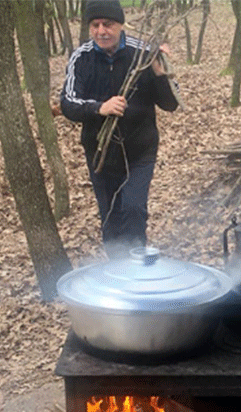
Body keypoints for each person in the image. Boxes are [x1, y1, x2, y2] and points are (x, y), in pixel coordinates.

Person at [60, 0, 179, 259]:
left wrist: (160, 74)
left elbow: (170, 104)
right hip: (100, 152)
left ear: (121, 25)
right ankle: (117, 270)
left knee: (134, 208)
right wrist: (99, 107)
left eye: (108, 24)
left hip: (140, 150)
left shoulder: (144, 53)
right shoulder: (81, 57)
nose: (101, 31)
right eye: (95, 25)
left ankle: (137, 272)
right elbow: (67, 103)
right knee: (110, 216)